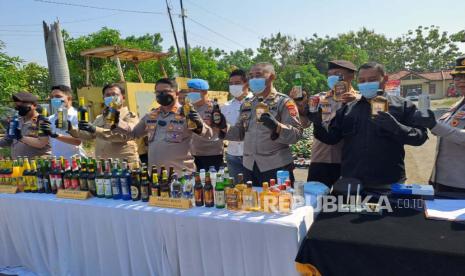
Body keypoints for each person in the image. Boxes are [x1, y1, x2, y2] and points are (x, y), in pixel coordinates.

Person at [308, 62, 428, 189]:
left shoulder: (402, 106)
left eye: (372, 80)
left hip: (389, 182)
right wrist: (317, 122)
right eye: (362, 80)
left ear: (385, 79)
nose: (366, 84)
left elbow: (420, 137)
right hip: (353, 183)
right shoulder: (348, 108)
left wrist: (396, 127)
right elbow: (331, 138)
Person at [214, 62, 303, 186]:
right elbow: (240, 133)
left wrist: (276, 126)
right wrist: (222, 126)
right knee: (253, 203)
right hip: (249, 166)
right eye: (251, 76)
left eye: (258, 75)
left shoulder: (284, 102)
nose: (253, 79)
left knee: (278, 203)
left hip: (276, 166)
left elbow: (296, 134)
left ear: (272, 77)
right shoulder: (247, 104)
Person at [115, 78, 214, 174]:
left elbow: (208, 135)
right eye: (158, 92)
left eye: (166, 91)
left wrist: (199, 125)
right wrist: (115, 121)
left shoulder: (187, 113)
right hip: (155, 176)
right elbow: (134, 133)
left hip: (180, 175)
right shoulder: (151, 115)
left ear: (176, 93)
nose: (161, 95)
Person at [291, 60, 358, 187]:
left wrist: (354, 104)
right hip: (320, 160)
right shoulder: (318, 99)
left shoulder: (359, 100)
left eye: (338, 73)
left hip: (347, 162)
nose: (333, 77)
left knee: (343, 203)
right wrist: (299, 107)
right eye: (330, 74)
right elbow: (305, 124)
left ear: (352, 76)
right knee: (316, 201)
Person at [414, 56, 465, 192]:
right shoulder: (458, 104)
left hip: (460, 185)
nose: (460, 81)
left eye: (464, 77)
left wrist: (434, 125)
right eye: (457, 77)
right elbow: (440, 131)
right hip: (441, 179)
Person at [69, 83, 140, 163]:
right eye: (108, 95)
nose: (111, 97)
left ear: (123, 98)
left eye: (114, 94)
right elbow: (89, 136)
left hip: (125, 164)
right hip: (104, 165)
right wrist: (71, 129)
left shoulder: (129, 116)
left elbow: (124, 136)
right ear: (104, 98)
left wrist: (95, 129)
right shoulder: (100, 118)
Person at [221, 69, 253, 183]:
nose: (233, 86)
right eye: (231, 84)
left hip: (253, 155)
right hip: (233, 155)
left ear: (247, 84)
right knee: (236, 190)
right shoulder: (225, 106)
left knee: (254, 189)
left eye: (237, 83)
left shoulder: (257, 102)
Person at [186, 78, 224, 171]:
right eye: (189, 90)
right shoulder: (189, 108)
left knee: (212, 182)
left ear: (204, 92)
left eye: (194, 90)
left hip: (212, 154)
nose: (190, 92)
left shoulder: (215, 108)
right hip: (193, 153)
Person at [39, 85, 86, 159]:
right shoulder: (50, 119)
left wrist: (55, 135)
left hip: (75, 162)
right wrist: (22, 137)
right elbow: (42, 142)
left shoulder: (77, 116)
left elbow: (78, 141)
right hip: (57, 163)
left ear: (69, 98)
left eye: (58, 96)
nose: (54, 99)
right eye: (52, 97)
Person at [0, 92, 51, 158]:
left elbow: (41, 143)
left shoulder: (43, 121)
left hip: (38, 165)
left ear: (34, 106)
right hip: (18, 165)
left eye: (23, 105)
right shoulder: (15, 121)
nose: (19, 108)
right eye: (17, 106)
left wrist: (20, 137)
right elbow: (8, 140)